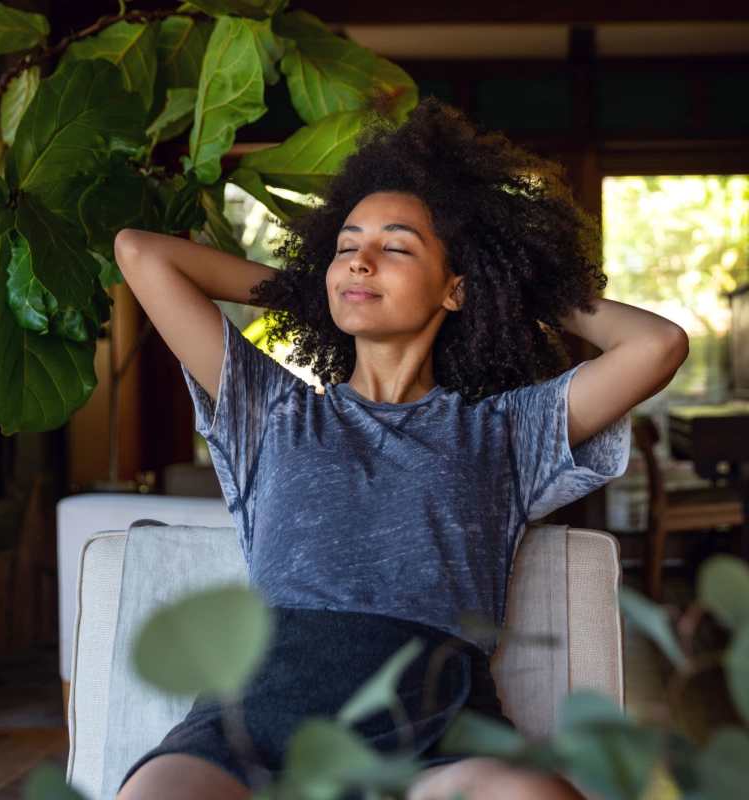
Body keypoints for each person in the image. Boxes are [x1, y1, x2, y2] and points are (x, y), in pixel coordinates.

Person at [114, 97, 688, 800]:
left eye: (395, 247)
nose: (360, 261)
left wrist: (514, 286)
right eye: (346, 246)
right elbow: (140, 253)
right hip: (252, 723)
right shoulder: (271, 410)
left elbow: (657, 345)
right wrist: (308, 289)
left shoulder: (507, 431)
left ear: (454, 288)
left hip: (432, 734)